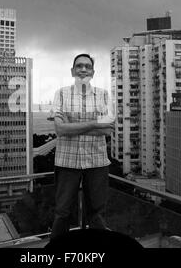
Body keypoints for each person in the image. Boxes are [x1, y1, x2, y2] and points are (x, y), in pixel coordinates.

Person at [50, 53, 115, 241]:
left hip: (97, 161)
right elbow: (60, 129)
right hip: (67, 162)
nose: (83, 69)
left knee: (97, 213)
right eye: (79, 66)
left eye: (87, 66)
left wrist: (74, 126)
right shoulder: (61, 93)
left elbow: (108, 130)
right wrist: (94, 124)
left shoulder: (103, 95)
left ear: (93, 72)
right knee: (62, 212)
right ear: (72, 71)